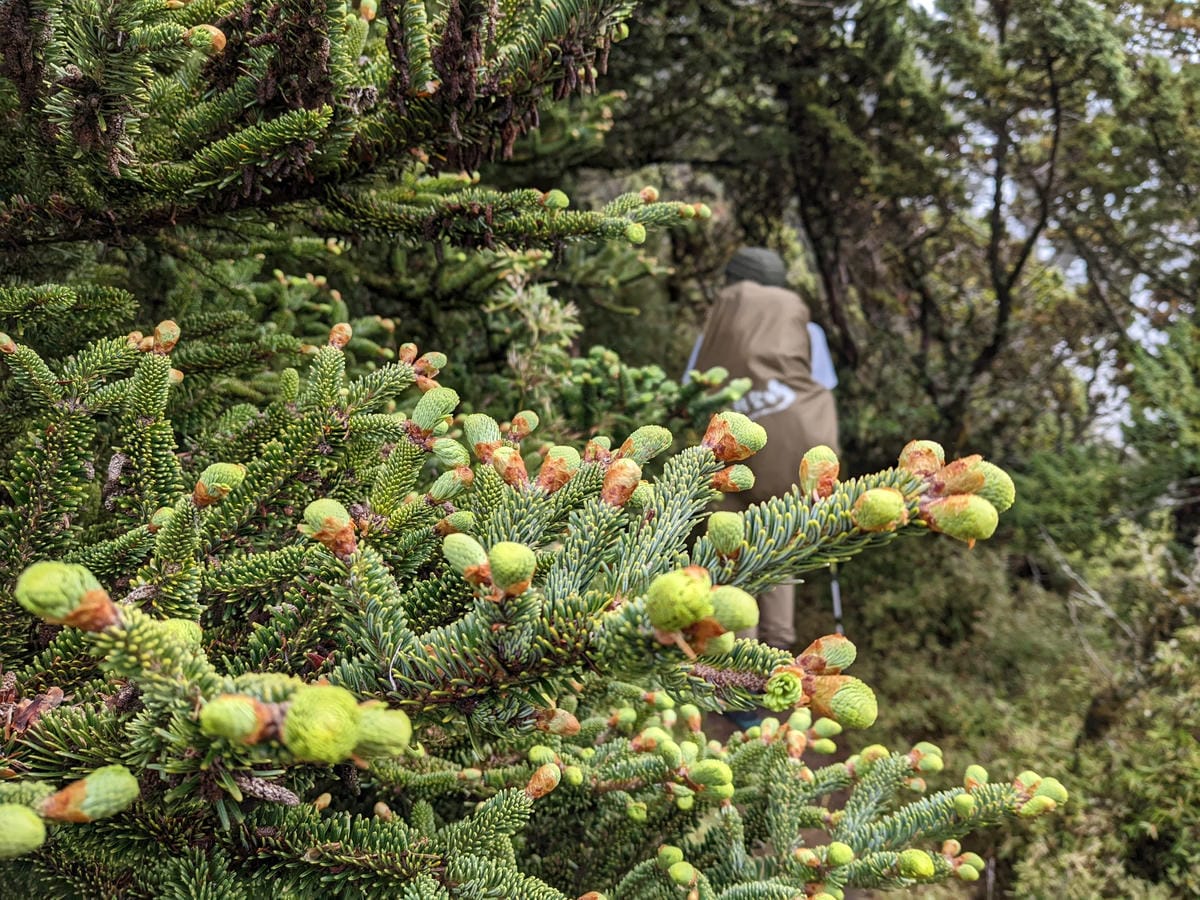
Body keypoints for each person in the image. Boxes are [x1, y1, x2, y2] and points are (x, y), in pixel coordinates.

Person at [687, 246, 840, 652]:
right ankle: (775, 654)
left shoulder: (713, 332)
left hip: (730, 448)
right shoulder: (807, 330)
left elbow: (691, 389)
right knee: (779, 546)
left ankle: (734, 662)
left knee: (729, 548)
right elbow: (822, 386)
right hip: (795, 445)